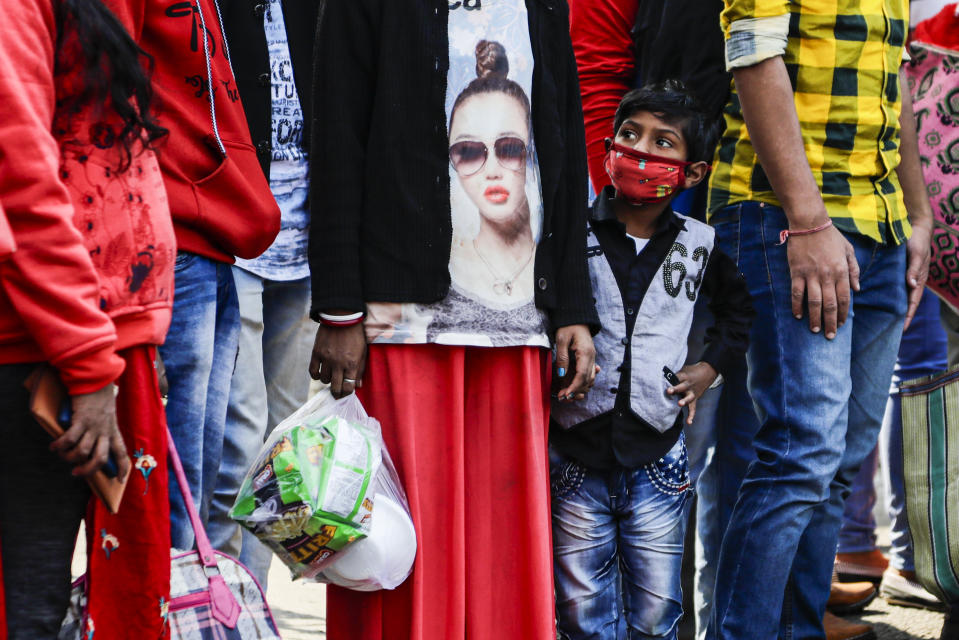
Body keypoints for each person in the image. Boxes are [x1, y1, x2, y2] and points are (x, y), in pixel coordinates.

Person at [309, 1, 599, 637]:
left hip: (520, 316)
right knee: (399, 550)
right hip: (401, 316)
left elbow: (564, 134)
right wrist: (339, 306)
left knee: (507, 557)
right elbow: (335, 132)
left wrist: (573, 304)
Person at [704, 0, 935, 636]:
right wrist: (807, 220)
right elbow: (753, 53)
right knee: (798, 453)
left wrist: (915, 213)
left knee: (835, 465)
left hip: (880, 223)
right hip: (787, 214)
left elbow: (895, 81)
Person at [548, 81, 754, 640]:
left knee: (658, 611)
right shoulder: (570, 234)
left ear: (691, 174)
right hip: (574, 456)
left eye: (664, 143)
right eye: (630, 134)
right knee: (581, 609)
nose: (641, 150)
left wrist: (709, 368)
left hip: (658, 459)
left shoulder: (700, 244)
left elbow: (740, 314)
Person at [0, 0, 174, 636]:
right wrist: (87, 363)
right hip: (38, 346)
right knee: (33, 605)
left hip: (91, 334)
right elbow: (21, 185)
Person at [104, 0, 281, 551]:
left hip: (215, 240)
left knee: (199, 493)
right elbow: (104, 104)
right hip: (165, 242)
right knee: (170, 506)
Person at [209, 0, 318, 587]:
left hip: (304, 251)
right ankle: (215, 599)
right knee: (240, 443)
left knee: (283, 457)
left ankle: (250, 607)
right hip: (238, 244)